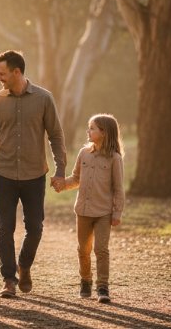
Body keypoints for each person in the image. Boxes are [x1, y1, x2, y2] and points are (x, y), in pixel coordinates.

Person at [0, 50, 67, 298]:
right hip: (4, 172)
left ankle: (24, 265)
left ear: (17, 72)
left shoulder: (43, 99)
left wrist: (60, 169)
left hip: (34, 173)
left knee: (35, 228)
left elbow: (56, 136)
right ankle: (8, 279)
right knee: (4, 228)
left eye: (1, 73)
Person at [53, 114, 125, 304]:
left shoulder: (114, 159)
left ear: (104, 132)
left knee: (101, 249)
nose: (88, 131)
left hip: (103, 212)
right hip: (83, 211)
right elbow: (76, 178)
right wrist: (61, 185)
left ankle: (103, 287)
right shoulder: (84, 153)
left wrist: (117, 212)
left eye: (92, 128)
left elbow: (118, 189)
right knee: (83, 249)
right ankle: (85, 281)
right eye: (89, 127)